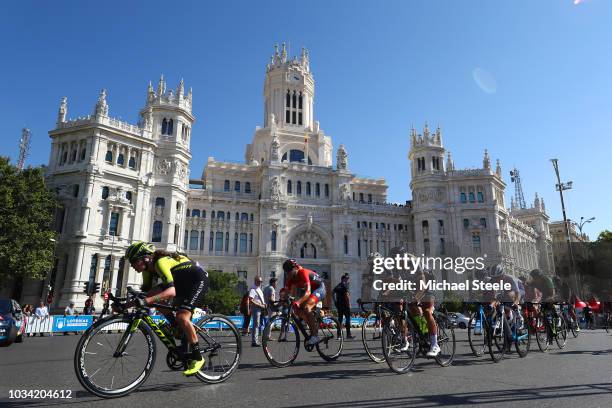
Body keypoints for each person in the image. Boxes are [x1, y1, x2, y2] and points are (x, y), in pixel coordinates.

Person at [124, 241, 210, 376]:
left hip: (197, 280)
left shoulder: (160, 262)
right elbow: (145, 295)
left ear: (145, 258)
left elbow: (171, 292)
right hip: (181, 284)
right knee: (152, 296)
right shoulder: (147, 272)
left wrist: (145, 300)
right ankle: (175, 325)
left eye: (134, 261)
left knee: (182, 316)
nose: (132, 265)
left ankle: (198, 358)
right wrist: (125, 305)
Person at [282, 259, 326, 346]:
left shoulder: (303, 272)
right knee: (297, 310)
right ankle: (313, 326)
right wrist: (281, 301)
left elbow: (308, 292)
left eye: (289, 272)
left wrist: (298, 302)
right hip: (308, 290)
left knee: (306, 307)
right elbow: (286, 293)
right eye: (286, 273)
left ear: (295, 269)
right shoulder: (290, 278)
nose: (288, 274)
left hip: (319, 288)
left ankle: (315, 335)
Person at [333, 274, 354, 339]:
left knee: (340, 320)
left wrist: (335, 301)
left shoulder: (338, 286)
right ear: (343, 279)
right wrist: (349, 304)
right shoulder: (345, 285)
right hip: (345, 305)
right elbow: (347, 295)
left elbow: (332, 293)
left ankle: (339, 335)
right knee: (348, 320)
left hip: (339, 305)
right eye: (347, 278)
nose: (348, 279)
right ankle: (348, 335)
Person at [248, 276, 266, 346]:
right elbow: (251, 300)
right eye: (259, 281)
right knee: (256, 325)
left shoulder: (258, 289)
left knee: (257, 325)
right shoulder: (253, 289)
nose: (260, 283)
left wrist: (263, 304)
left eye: (261, 281)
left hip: (259, 308)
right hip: (256, 308)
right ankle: (254, 341)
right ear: (255, 281)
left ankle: (256, 340)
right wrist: (260, 305)